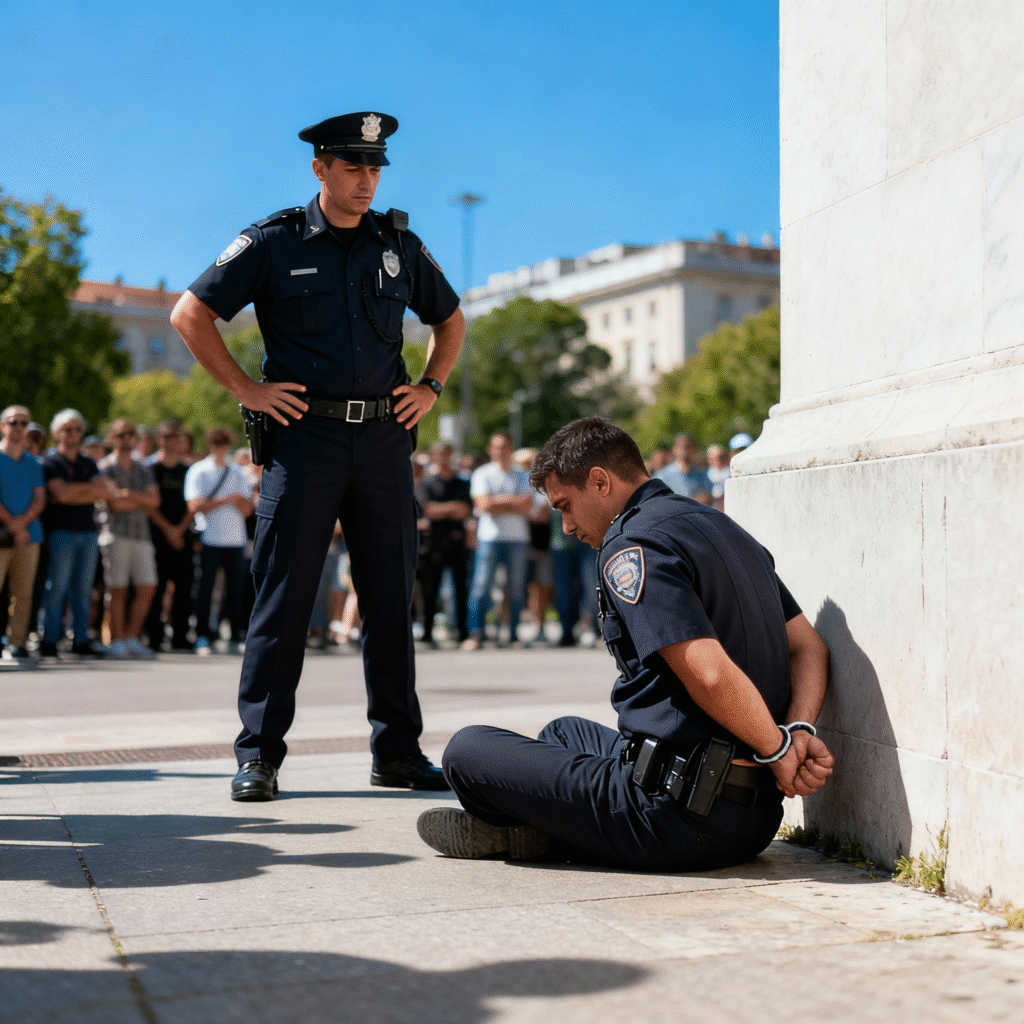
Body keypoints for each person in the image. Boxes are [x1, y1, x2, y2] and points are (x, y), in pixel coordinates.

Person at [170, 111, 465, 800]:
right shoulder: (272, 242)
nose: (367, 180)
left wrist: (431, 386)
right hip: (304, 441)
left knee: (391, 599)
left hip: (386, 441)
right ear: (320, 169)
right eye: (354, 167)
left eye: (375, 169)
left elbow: (449, 319)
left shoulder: (398, 245)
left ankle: (396, 752)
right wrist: (247, 388)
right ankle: (259, 755)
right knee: (284, 598)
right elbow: (190, 313)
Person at [417, 417, 834, 869]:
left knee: (466, 752)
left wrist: (777, 750)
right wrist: (799, 732)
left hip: (676, 818)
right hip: (754, 819)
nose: (568, 525)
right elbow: (810, 647)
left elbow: (710, 674)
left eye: (565, 505)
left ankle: (540, 830)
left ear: (600, 481)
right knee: (563, 732)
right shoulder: (721, 526)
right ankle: (554, 825)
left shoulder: (632, 545)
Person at [39, 409, 114, 658]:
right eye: (67, 429)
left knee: (83, 590)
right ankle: (50, 638)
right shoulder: (49, 462)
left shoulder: (88, 462)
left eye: (77, 429)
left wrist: (74, 492)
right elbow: (60, 494)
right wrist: (85, 490)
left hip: (88, 532)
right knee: (57, 587)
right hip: (61, 531)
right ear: (57, 433)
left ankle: (80, 639)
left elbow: (103, 492)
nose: (73, 434)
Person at [184, 427, 254, 655]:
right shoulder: (199, 470)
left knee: (236, 590)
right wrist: (227, 499)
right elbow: (194, 506)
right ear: (210, 445)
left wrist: (232, 501)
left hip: (236, 540)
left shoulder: (238, 472)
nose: (221, 448)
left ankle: (235, 634)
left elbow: (247, 510)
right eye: (217, 444)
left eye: (225, 444)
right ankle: (202, 634)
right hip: (209, 538)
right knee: (205, 589)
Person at [97, 418, 160, 659]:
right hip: (115, 533)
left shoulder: (143, 467)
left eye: (130, 434)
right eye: (121, 435)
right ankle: (117, 639)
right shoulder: (104, 467)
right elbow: (114, 503)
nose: (126, 439)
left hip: (141, 535)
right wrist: (140, 499)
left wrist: (129, 496)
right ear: (112, 438)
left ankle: (132, 637)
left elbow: (155, 501)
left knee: (148, 586)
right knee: (118, 589)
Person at [463, 433, 533, 650]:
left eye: (504, 446)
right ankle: (476, 633)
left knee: (516, 588)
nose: (500, 451)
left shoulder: (523, 475)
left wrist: (497, 503)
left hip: (517, 539)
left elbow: (527, 505)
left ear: (511, 448)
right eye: (496, 447)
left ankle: (513, 634)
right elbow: (483, 504)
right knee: (481, 587)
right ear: (490, 449)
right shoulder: (482, 473)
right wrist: (513, 503)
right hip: (490, 538)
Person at [145, 419, 195, 652]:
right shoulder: (150, 468)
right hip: (157, 536)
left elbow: (192, 504)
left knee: (184, 589)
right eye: (165, 437)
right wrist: (168, 529)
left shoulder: (188, 470)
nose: (170, 441)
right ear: (159, 439)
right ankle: (154, 637)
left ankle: (181, 637)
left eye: (174, 437)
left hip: (183, 535)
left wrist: (180, 529)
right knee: (157, 587)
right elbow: (149, 505)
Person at [0, 406, 46, 660]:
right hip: (5, 532)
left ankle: (16, 643)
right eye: (13, 422)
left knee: (23, 594)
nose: (18, 427)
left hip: (29, 535)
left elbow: (40, 499)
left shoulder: (33, 462)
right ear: (2, 426)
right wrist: (12, 524)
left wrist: (23, 523)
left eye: (23, 423)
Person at [415, 442, 471, 647]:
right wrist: (452, 508)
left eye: (447, 454)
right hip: (434, 543)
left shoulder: (462, 483)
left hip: (457, 541)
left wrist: (442, 510)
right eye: (439, 454)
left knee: (460, 588)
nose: (443, 458)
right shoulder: (427, 484)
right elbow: (427, 510)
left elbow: (465, 510)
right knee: (430, 589)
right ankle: (428, 631)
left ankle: (462, 631)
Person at [654, 433, 712, 501]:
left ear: (695, 449)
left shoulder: (702, 476)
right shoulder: (662, 476)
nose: (684, 450)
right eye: (681, 446)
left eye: (688, 446)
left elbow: (707, 497)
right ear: (674, 449)